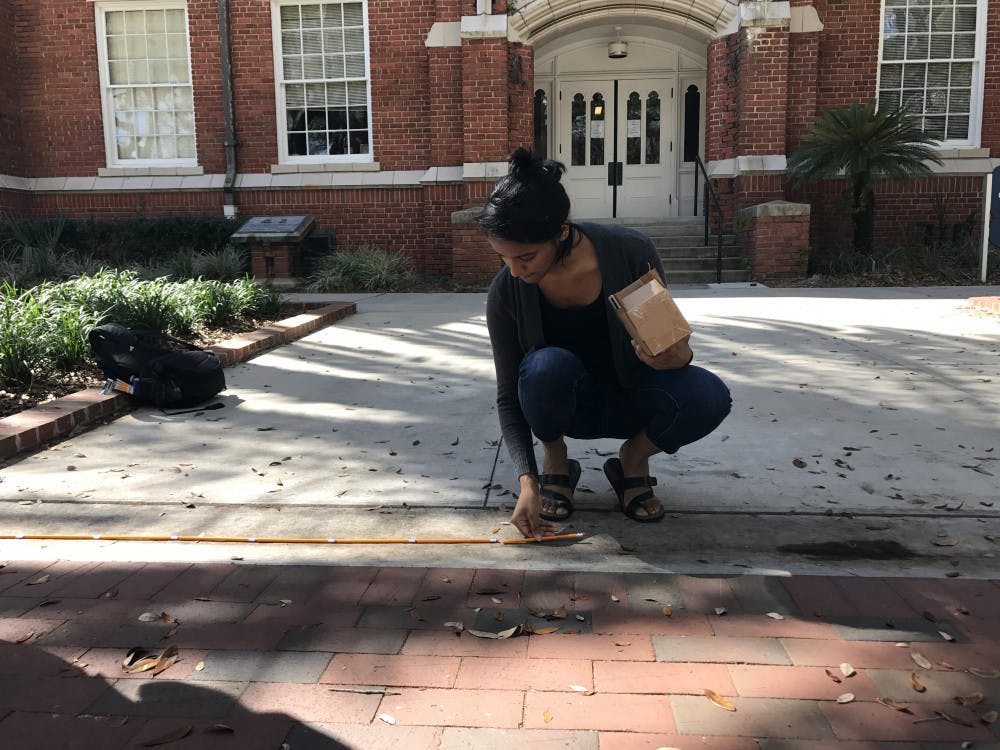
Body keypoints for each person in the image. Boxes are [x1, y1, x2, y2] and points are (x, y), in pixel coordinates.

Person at [481, 147, 732, 540]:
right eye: (503, 258)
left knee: (710, 395)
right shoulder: (507, 293)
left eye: (526, 257)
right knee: (544, 367)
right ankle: (558, 462)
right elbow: (508, 396)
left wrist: (678, 354)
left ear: (561, 233)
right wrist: (527, 482)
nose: (515, 271)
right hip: (565, 405)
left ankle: (632, 461)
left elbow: (673, 347)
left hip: (633, 395)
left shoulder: (629, 253)